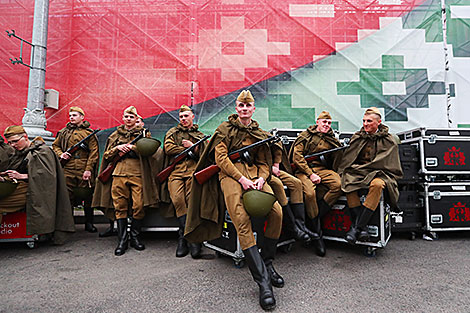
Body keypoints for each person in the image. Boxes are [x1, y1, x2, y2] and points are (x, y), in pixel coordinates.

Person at [186, 90, 282, 311]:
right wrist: (241, 179)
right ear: (236, 108)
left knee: (276, 211)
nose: (245, 109)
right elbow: (220, 158)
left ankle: (267, 263)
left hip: (255, 174)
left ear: (253, 109)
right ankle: (263, 283)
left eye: (248, 106)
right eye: (241, 106)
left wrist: (261, 178)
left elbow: (265, 161)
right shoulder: (224, 130)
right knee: (240, 217)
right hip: (230, 175)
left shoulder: (260, 133)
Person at [92, 106, 160, 256]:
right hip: (119, 173)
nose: (128, 119)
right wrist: (118, 148)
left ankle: (135, 237)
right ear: (122, 119)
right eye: (126, 117)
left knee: (139, 205)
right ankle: (122, 240)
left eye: (132, 117)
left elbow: (150, 152)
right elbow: (108, 155)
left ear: (137, 119)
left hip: (137, 173)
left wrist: (133, 148)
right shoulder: (115, 135)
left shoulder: (144, 134)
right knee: (120, 206)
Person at [338, 107, 403, 244]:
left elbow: (388, 163)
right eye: (364, 121)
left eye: (369, 121)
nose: (365, 124)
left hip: (381, 172)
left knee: (377, 184)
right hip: (359, 172)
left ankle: (357, 227)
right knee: (347, 182)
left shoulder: (388, 140)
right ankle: (363, 229)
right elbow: (349, 159)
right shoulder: (358, 137)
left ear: (379, 122)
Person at [1, 126, 75, 244]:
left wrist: (22, 176)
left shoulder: (42, 151)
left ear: (25, 137)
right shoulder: (19, 153)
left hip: (33, 191)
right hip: (20, 188)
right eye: (10, 143)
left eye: (15, 141)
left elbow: (48, 177)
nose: (13, 145)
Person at [289, 111, 343, 257]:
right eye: (324, 122)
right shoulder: (305, 136)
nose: (326, 125)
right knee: (309, 193)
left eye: (329, 123)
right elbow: (297, 157)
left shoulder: (332, 139)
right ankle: (317, 236)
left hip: (322, 169)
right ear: (317, 122)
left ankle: (314, 217)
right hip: (303, 170)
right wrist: (310, 174)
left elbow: (337, 158)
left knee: (338, 184)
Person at [163, 105, 207, 258]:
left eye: (186, 116)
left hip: (193, 173)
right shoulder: (173, 133)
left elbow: (205, 151)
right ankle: (185, 237)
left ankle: (191, 240)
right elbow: (168, 148)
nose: (183, 119)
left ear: (192, 117)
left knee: (191, 202)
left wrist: (193, 147)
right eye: (181, 117)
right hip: (176, 173)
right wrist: (189, 149)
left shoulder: (199, 135)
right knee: (178, 200)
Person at [52, 107, 99, 233]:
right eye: (70, 115)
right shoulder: (64, 132)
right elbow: (55, 145)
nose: (71, 117)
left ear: (82, 117)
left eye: (75, 115)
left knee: (87, 196)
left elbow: (94, 153)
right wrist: (61, 154)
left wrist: (88, 169)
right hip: (67, 167)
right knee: (67, 197)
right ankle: (68, 224)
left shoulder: (89, 133)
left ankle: (89, 223)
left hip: (83, 166)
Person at [267, 136, 310, 244]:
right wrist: (268, 168)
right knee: (278, 184)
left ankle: (301, 226)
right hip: (258, 170)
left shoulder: (259, 133)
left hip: (269, 167)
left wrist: (276, 163)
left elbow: (277, 144)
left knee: (296, 183)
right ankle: (293, 228)